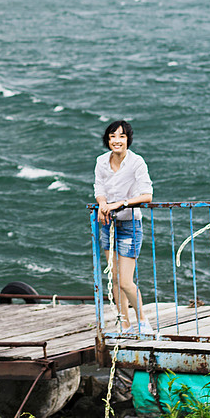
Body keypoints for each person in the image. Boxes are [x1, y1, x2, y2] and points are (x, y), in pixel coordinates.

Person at [93, 119, 153, 334]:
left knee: (126, 281)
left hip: (130, 225)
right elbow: (99, 187)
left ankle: (143, 321)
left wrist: (121, 203)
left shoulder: (136, 162)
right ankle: (124, 323)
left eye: (121, 136)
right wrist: (102, 204)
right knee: (115, 278)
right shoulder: (101, 161)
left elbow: (147, 195)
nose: (116, 141)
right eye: (112, 137)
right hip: (108, 225)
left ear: (128, 139)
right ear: (107, 140)